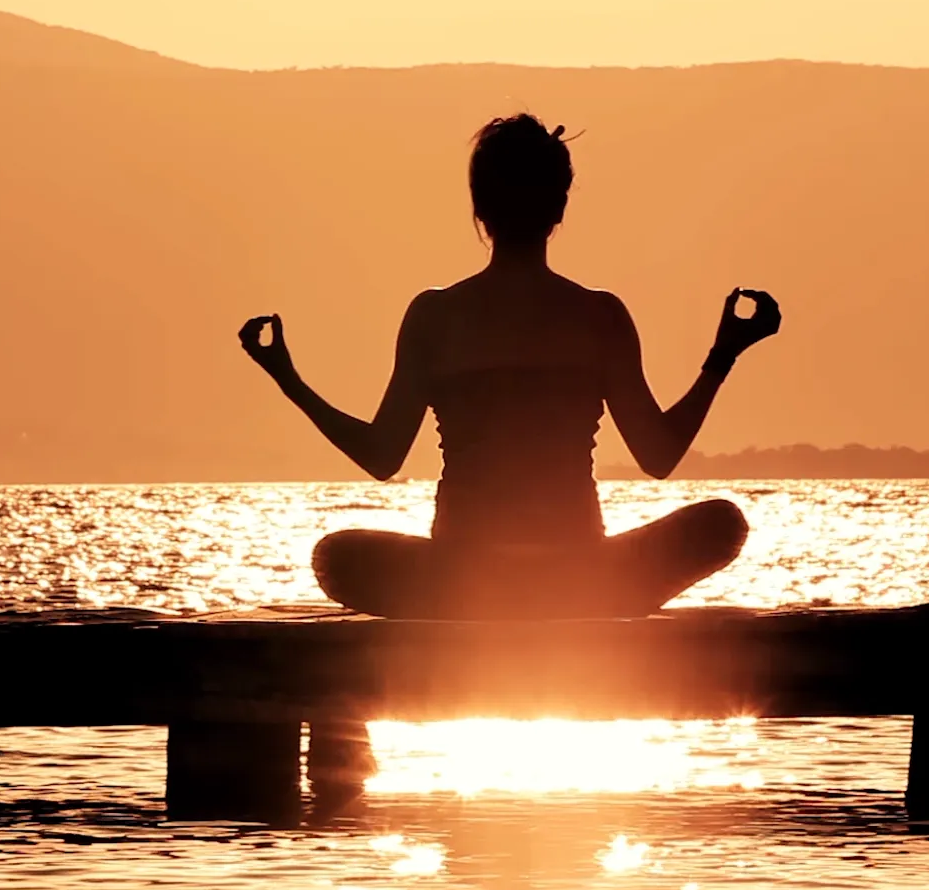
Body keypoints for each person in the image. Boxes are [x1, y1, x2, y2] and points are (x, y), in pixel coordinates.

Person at [237, 114, 781, 619]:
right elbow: (659, 456)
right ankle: (579, 597)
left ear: (480, 209)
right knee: (721, 522)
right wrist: (723, 354)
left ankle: (509, 595)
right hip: (582, 576)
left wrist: (290, 382)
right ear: (559, 208)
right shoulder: (599, 315)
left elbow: (382, 457)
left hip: (460, 579)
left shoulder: (436, 315)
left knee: (337, 555)